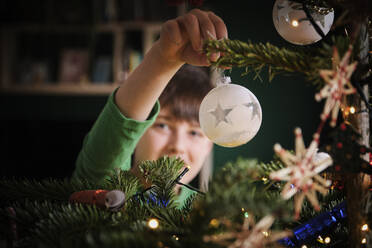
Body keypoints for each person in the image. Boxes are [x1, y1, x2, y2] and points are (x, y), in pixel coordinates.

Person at [72, 9, 228, 207]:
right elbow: (108, 147)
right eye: (162, 126)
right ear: (136, 134)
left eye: (195, 133)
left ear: (209, 145)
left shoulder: (208, 212)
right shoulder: (110, 190)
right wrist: (162, 61)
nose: (178, 146)